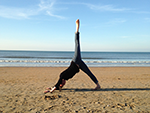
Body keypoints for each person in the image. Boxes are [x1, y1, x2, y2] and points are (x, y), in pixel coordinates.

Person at [44, 19, 101, 93]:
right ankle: (98, 85)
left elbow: (57, 83)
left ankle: (77, 29)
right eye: (63, 85)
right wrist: (53, 87)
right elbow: (57, 84)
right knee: (89, 73)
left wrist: (52, 90)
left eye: (63, 84)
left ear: (61, 82)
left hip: (76, 60)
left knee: (77, 45)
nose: (64, 84)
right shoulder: (65, 78)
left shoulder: (62, 76)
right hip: (79, 64)